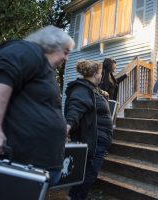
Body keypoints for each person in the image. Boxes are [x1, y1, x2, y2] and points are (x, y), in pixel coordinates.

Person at [0, 25, 75, 185]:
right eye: (65, 52)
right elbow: (2, 77)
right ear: (51, 44)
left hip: (34, 167)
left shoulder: (42, 69)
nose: (66, 58)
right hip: (9, 162)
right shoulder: (27, 50)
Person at [64, 60, 113, 200]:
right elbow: (75, 108)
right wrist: (67, 127)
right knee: (89, 175)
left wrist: (102, 93)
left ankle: (73, 196)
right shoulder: (82, 90)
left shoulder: (90, 88)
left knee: (85, 172)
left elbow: (92, 98)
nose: (101, 76)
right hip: (94, 141)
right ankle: (77, 197)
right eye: (100, 73)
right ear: (95, 74)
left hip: (99, 141)